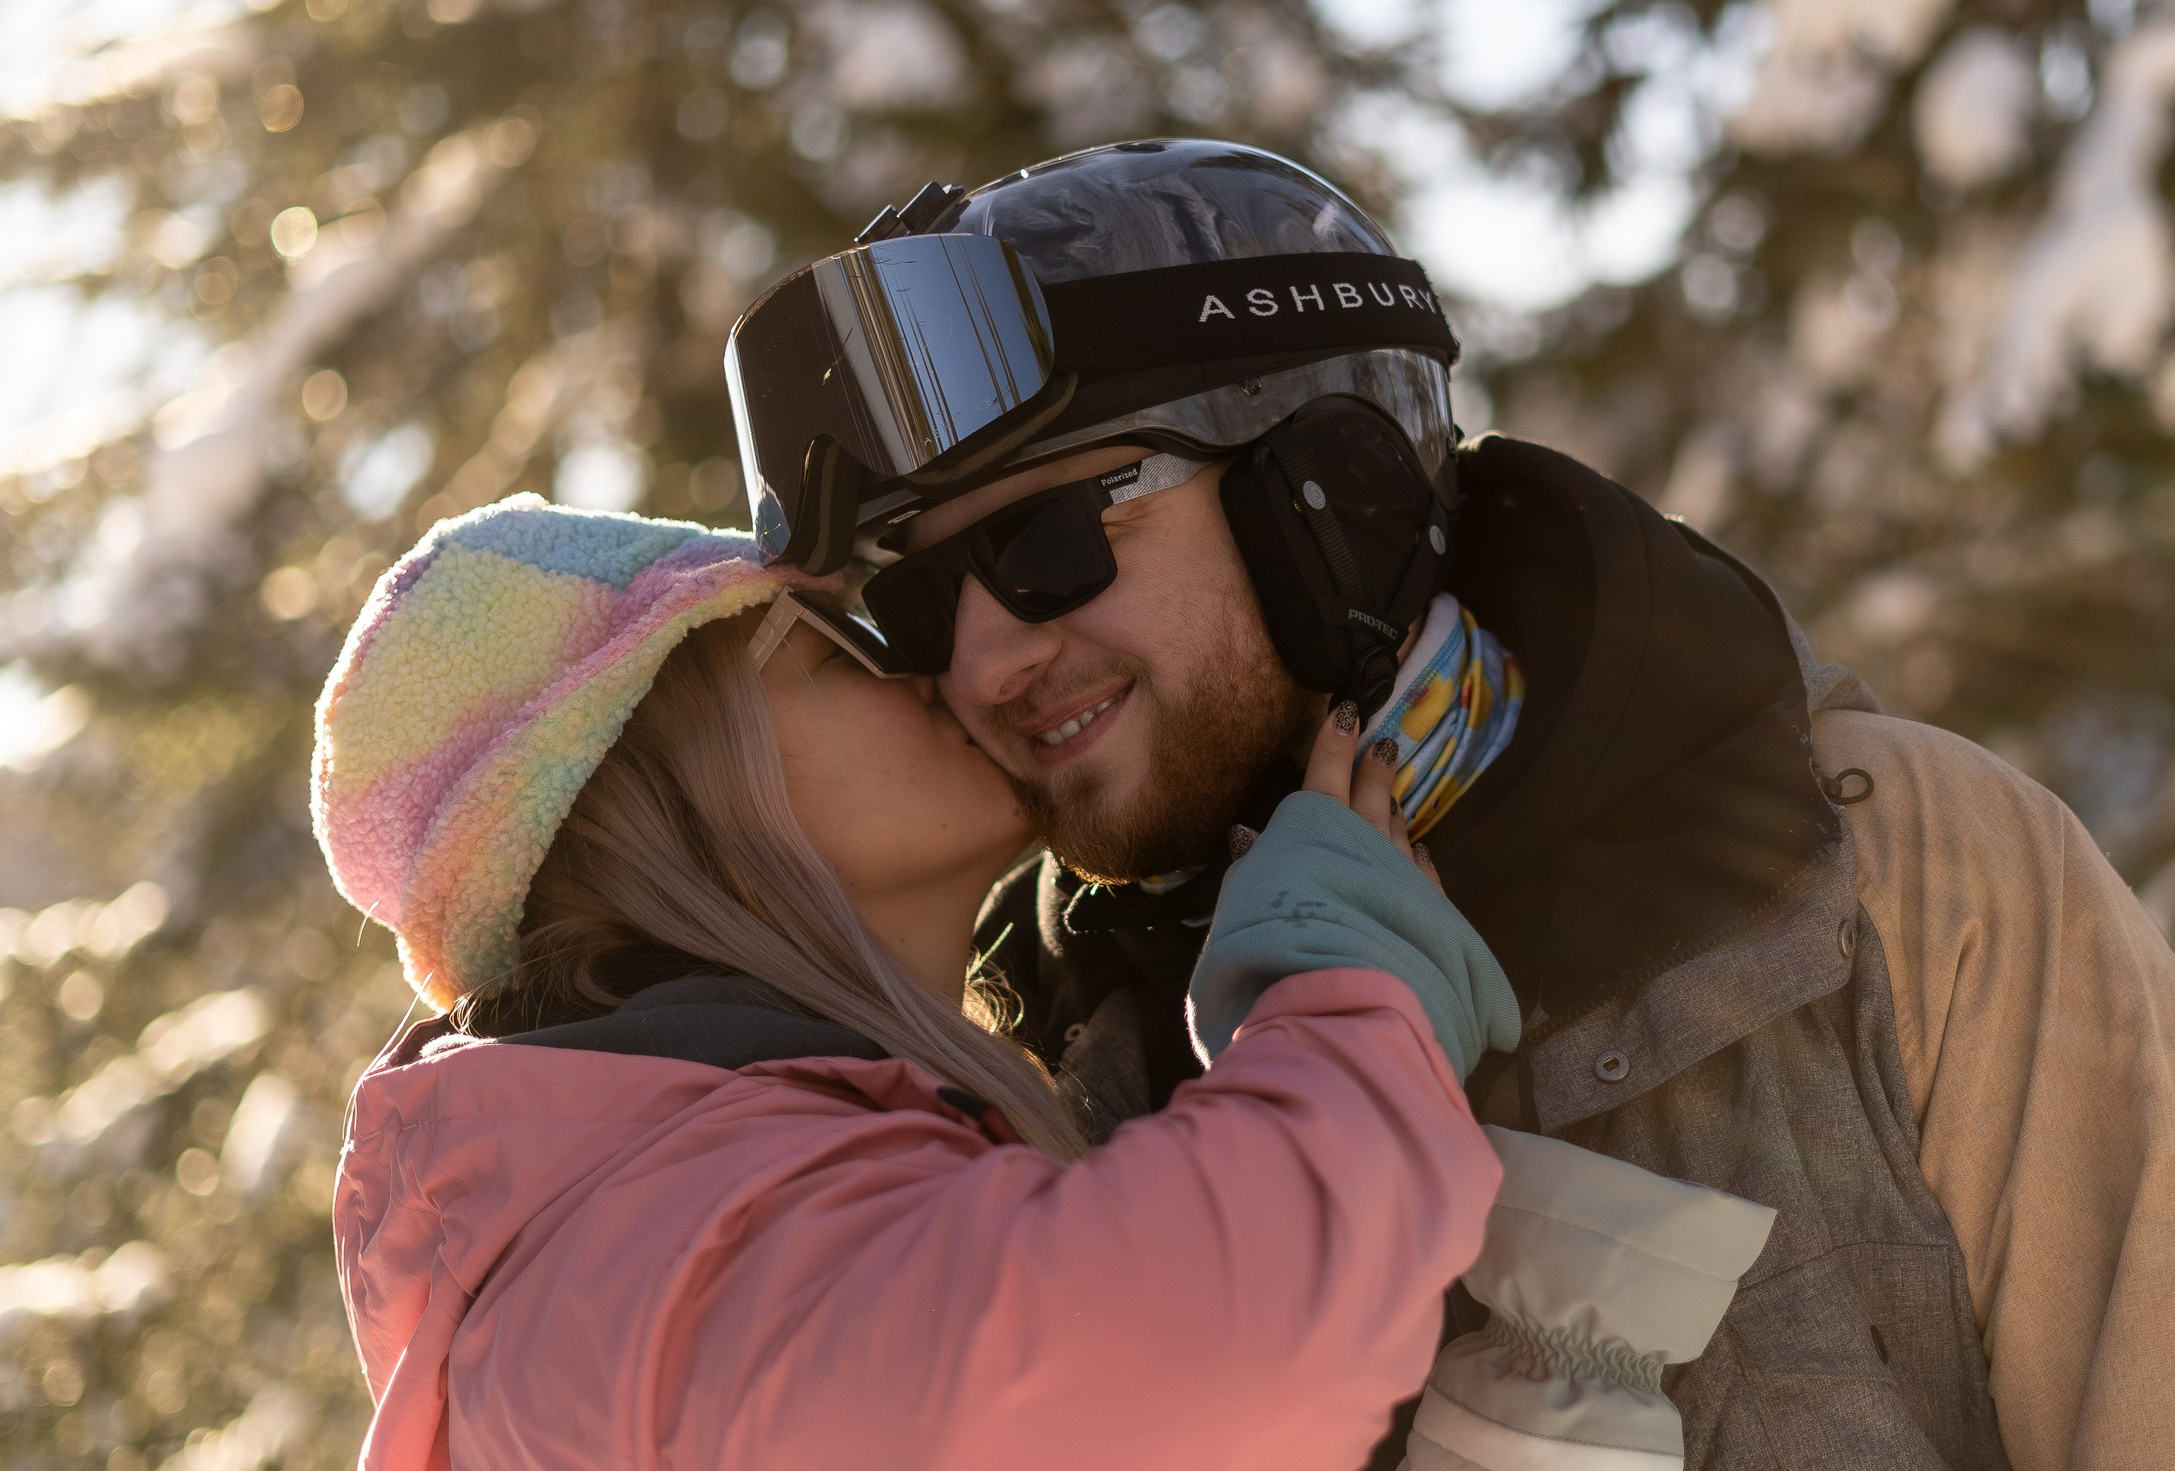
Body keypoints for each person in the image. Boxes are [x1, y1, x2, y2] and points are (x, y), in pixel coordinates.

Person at [726, 139, 2175, 1470]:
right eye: (922, 602)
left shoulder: (1892, 884)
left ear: (1334, 489)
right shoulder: (1034, 1095)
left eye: (1048, 540)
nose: (992, 651)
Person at [308, 495, 1520, 1470]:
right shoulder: (645, 1253)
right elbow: (1180, 1367)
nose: (939, 666)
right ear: (681, 797)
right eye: (839, 651)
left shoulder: (642, 1203)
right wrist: (1349, 991)